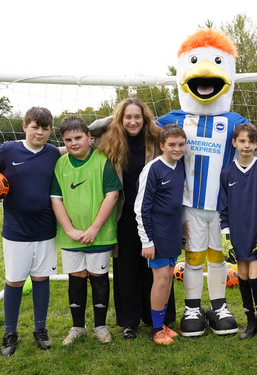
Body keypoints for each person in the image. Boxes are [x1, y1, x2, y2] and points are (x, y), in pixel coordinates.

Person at [0, 106, 60, 356]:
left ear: (50, 130)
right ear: (25, 127)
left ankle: (40, 329)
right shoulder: (8, 149)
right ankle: (10, 333)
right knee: (15, 281)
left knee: (42, 279)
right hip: (16, 230)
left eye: (45, 128)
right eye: (35, 127)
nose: (40, 132)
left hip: (45, 229)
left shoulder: (53, 152)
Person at [94, 98, 175, 340]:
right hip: (124, 214)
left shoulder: (156, 139)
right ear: (119, 119)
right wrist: (113, 120)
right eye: (127, 117)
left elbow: (176, 140)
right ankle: (130, 321)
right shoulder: (109, 141)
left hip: (153, 215)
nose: (133, 121)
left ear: (145, 118)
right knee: (127, 267)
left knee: (155, 267)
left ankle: (158, 318)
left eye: (137, 117)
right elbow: (87, 133)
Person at [50, 116, 122, 344]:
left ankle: (100, 326)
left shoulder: (103, 160)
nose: (73, 143)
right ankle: (77, 327)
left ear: (89, 137)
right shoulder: (60, 164)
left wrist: (93, 228)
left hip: (99, 235)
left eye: (78, 137)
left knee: (99, 277)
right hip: (71, 237)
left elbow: (112, 195)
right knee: (76, 278)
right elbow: (56, 198)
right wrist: (70, 230)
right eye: (68, 139)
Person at [219, 123, 257, 340]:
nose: (246, 145)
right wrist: (226, 235)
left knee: (254, 276)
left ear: (256, 143)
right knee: (242, 276)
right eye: (242, 141)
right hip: (237, 234)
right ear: (234, 143)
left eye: (251, 141)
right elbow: (223, 207)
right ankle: (250, 322)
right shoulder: (227, 172)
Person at [134, 124, 186, 345]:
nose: (177, 149)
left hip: (173, 233)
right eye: (172, 145)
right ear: (161, 145)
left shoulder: (180, 165)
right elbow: (140, 208)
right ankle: (156, 329)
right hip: (157, 235)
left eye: (181, 144)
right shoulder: (153, 169)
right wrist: (147, 241)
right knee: (161, 279)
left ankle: (163, 324)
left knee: (168, 280)